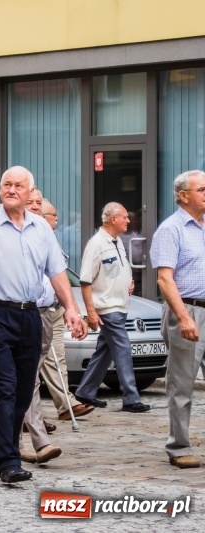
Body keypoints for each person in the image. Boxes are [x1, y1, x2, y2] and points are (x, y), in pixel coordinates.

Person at [0, 166, 86, 484]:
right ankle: (8, 460)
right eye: (7, 184)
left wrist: (71, 308)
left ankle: (10, 449)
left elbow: (57, 272)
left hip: (31, 315)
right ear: (0, 190)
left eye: (19, 185)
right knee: (3, 389)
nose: (12, 189)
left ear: (31, 192)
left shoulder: (42, 228)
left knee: (23, 391)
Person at [150, 169, 205, 469]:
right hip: (188, 310)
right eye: (202, 189)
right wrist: (184, 318)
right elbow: (164, 279)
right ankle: (178, 446)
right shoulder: (171, 229)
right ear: (184, 196)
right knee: (182, 383)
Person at [75, 202, 150, 414]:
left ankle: (86, 391)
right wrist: (90, 311)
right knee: (123, 349)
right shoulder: (96, 244)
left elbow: (116, 270)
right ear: (113, 219)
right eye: (125, 217)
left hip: (119, 305)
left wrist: (129, 281)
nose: (129, 220)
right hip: (108, 308)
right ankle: (131, 397)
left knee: (104, 351)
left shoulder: (116, 242)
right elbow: (86, 280)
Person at [39, 199, 93, 421]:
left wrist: (72, 307)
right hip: (36, 310)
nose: (57, 219)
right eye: (53, 215)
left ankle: (65, 405)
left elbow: (60, 275)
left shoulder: (52, 239)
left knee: (57, 359)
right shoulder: (34, 238)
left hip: (56, 308)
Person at [19, 189, 62, 465]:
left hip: (46, 314)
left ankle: (16, 440)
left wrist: (72, 309)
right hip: (20, 312)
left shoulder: (46, 236)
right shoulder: (10, 233)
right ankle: (38, 440)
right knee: (28, 379)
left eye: (39, 203)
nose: (35, 207)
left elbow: (57, 274)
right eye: (31, 202)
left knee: (28, 379)